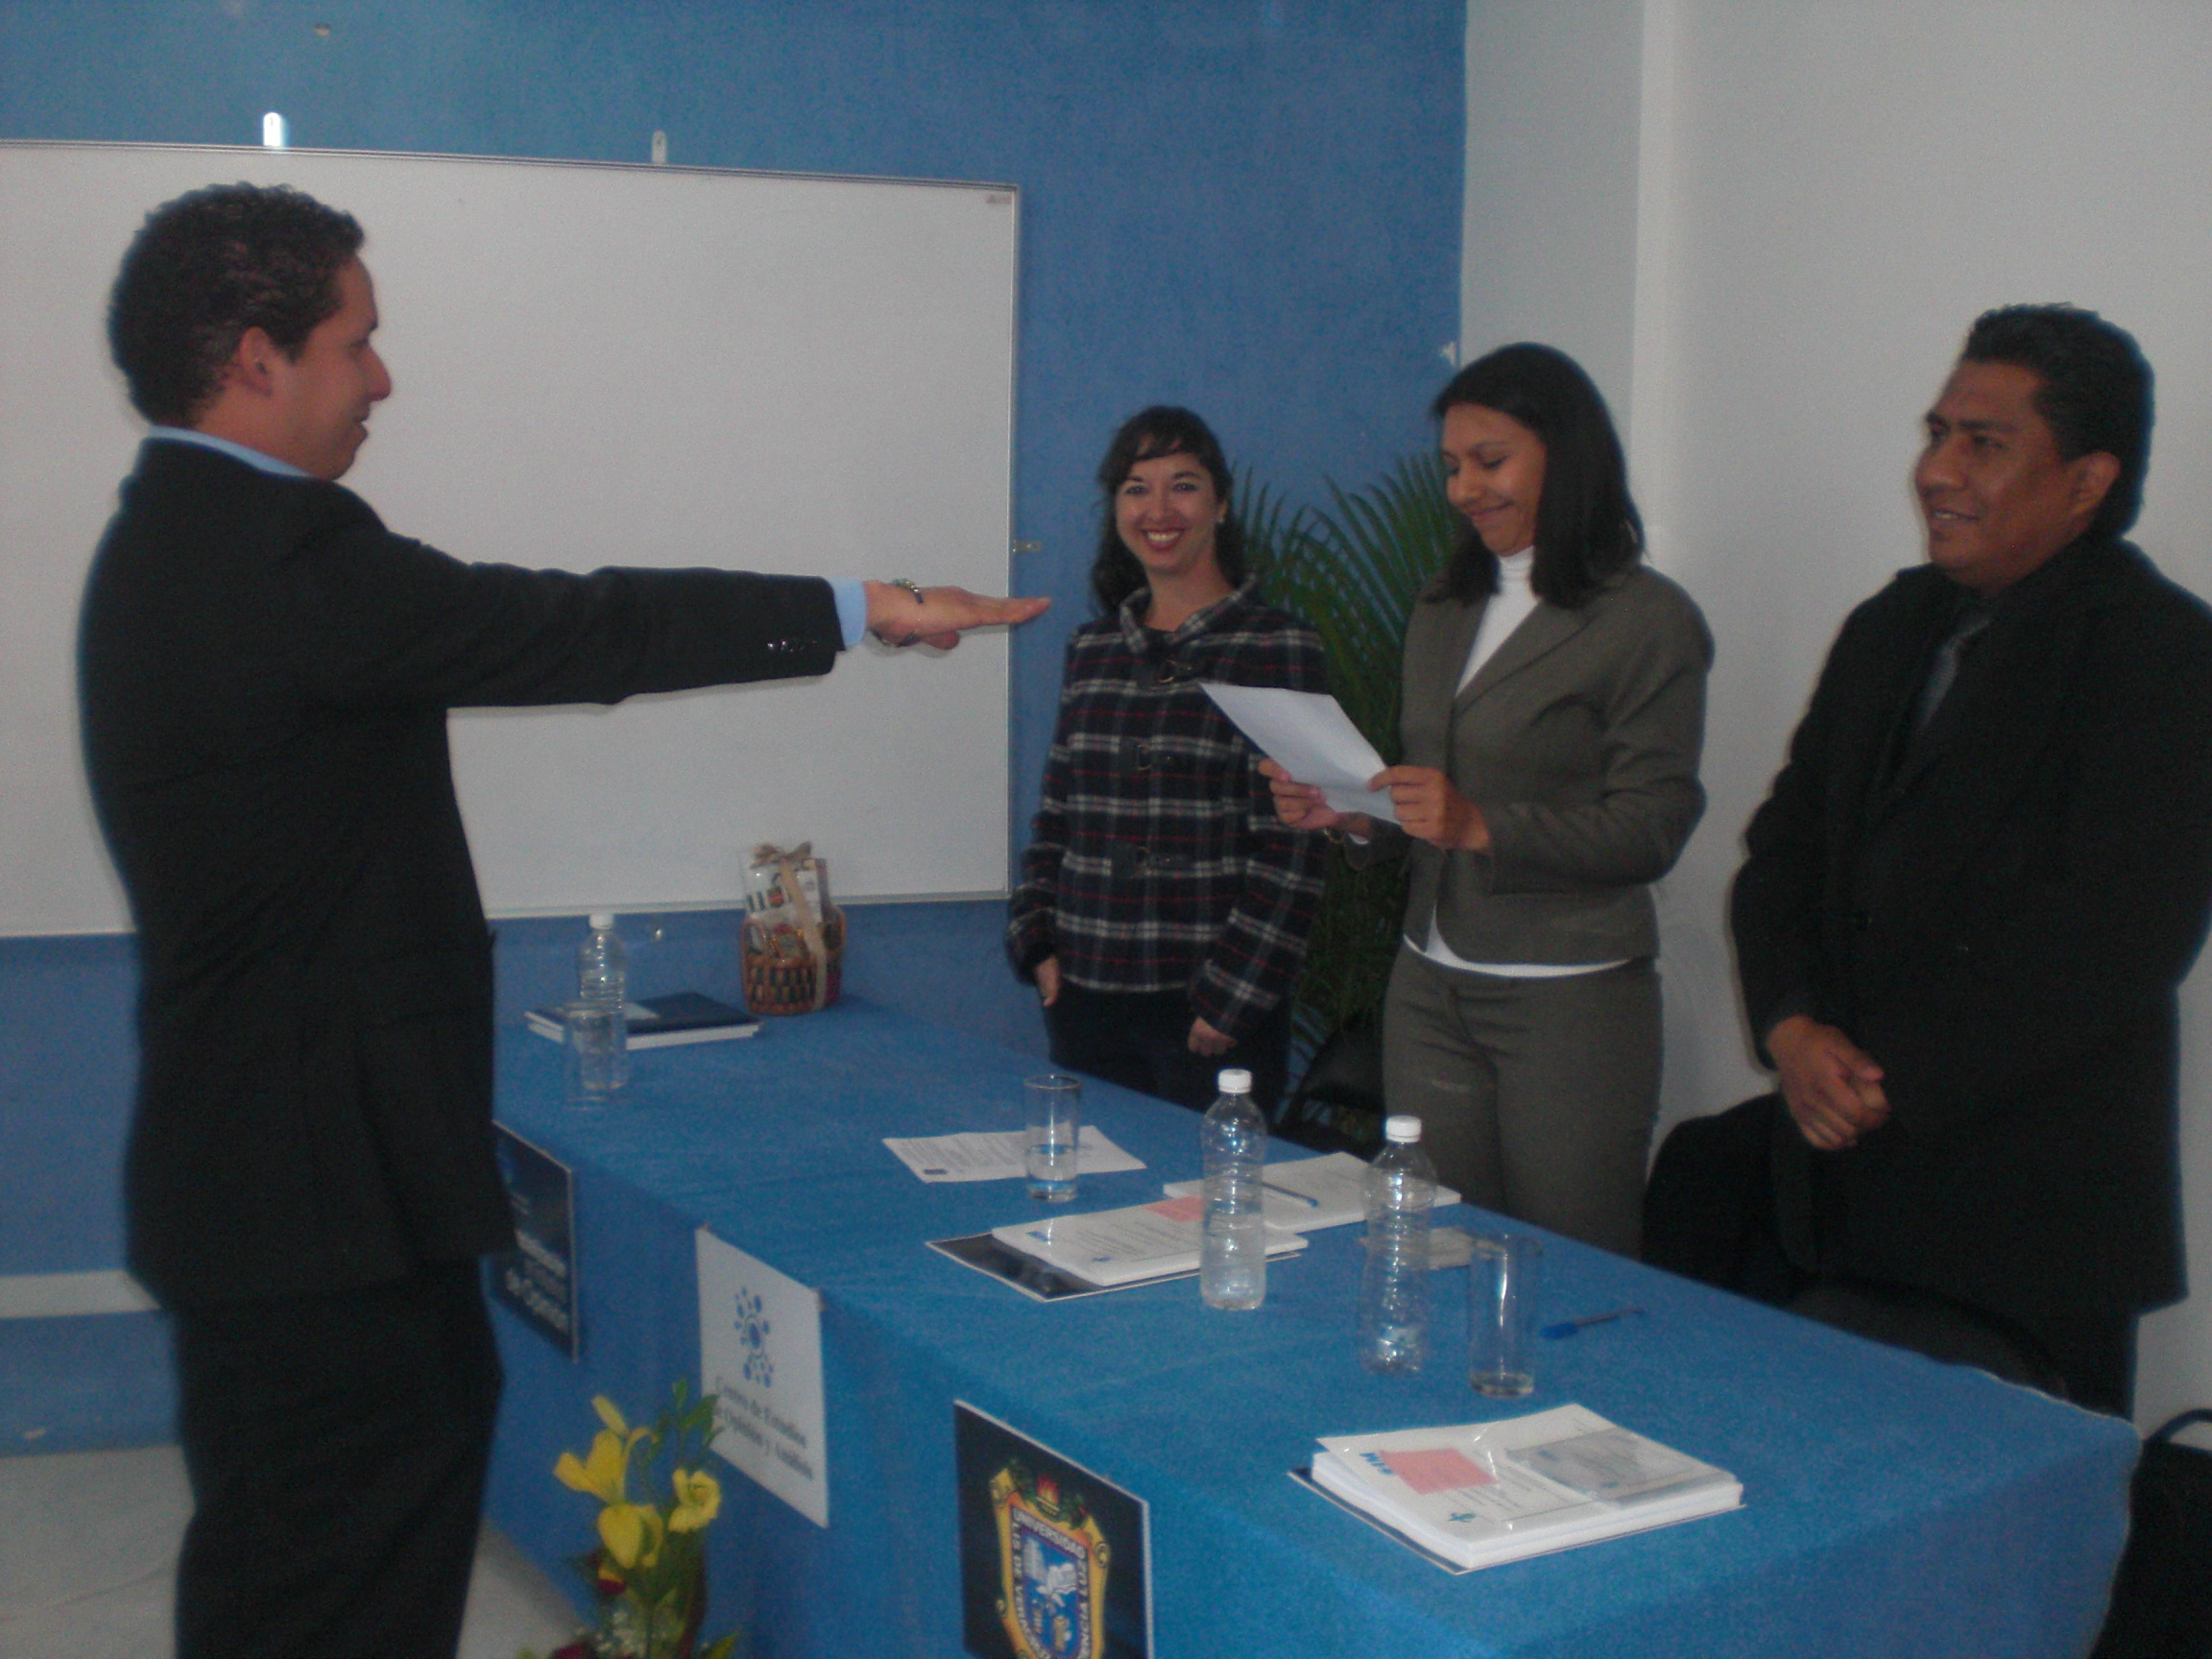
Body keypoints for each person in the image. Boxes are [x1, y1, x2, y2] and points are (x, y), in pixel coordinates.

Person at [78, 180, 1046, 1659]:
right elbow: (571, 625)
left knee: (283, 1573)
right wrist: (860, 606)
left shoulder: (167, 538)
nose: (382, 378)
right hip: (325, 1211)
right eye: (355, 342)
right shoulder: (274, 558)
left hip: (269, 1194)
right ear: (256, 359)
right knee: (337, 1588)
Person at [1730, 304, 2212, 1416]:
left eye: (1983, 443)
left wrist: (1876, 1084)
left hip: (2028, 1220)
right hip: (1841, 1197)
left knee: (2012, 1518)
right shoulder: (1892, 625)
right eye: (1937, 433)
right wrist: (1792, 1028)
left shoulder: (2161, 654)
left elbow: (2117, 941)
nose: (1937, 470)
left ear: (2087, 482)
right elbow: (1782, 852)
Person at [1265, 345, 1710, 1255]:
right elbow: (1425, 790)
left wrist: (1482, 825)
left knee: (1572, 1265)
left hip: (1568, 1000)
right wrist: (1354, 815)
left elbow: (1654, 826)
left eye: (1490, 461)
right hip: (1428, 988)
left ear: (1567, 456)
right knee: (1440, 1247)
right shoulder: (1444, 605)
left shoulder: (1647, 619)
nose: (1464, 489)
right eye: (1452, 467)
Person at [1006, 407, 1328, 1116]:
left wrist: (1234, 995)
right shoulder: (1093, 650)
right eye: (1135, 489)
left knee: (1207, 1185)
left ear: (1221, 504)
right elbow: (1057, 816)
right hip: (1085, 998)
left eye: (1183, 485)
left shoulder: (1276, 647)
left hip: (1211, 1013)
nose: (1158, 510)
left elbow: (1296, 845)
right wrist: (1037, 940)